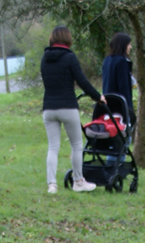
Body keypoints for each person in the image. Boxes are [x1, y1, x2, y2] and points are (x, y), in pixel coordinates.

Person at [40, 25, 105, 194]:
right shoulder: (70, 57)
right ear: (67, 39)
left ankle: (52, 185)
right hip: (68, 106)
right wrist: (98, 97)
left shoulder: (45, 58)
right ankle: (78, 181)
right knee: (76, 144)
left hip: (48, 108)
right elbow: (82, 81)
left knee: (53, 146)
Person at [102, 32, 134, 122]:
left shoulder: (107, 60)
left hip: (108, 103)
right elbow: (124, 87)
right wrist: (129, 109)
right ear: (123, 45)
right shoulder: (122, 62)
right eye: (129, 44)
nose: (130, 47)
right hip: (119, 106)